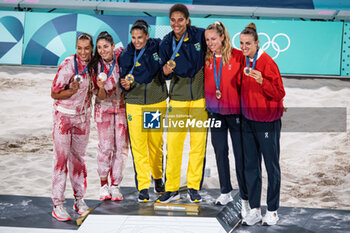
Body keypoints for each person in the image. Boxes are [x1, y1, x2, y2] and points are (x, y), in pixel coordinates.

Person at [157, 3, 208, 203]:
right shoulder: (166, 42)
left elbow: (217, 43)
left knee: (198, 146)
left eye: (180, 19)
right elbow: (160, 71)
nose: (176, 24)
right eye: (173, 20)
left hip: (199, 99)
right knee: (174, 145)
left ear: (187, 20)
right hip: (177, 99)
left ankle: (194, 187)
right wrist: (165, 72)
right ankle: (171, 188)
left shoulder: (200, 35)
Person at [239, 23, 285, 226]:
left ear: (257, 43)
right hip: (248, 122)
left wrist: (262, 81)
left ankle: (273, 210)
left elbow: (279, 93)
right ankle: (256, 209)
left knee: (271, 167)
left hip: (267, 122)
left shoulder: (267, 63)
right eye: (241, 43)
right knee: (251, 167)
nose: (244, 47)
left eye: (248, 43)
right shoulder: (243, 60)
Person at [204, 21, 250, 216]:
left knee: (240, 155)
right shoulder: (205, 59)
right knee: (220, 151)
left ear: (223, 37)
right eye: (207, 40)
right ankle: (225, 191)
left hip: (236, 113)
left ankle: (246, 196)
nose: (210, 43)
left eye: (213, 39)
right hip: (215, 112)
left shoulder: (239, 56)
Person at [119, 20, 168, 202]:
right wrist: (123, 84)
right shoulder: (126, 54)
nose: (137, 41)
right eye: (134, 38)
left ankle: (157, 178)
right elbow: (122, 79)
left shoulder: (156, 46)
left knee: (155, 145)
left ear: (147, 36)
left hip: (155, 103)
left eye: (140, 37)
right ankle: (143, 186)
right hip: (135, 104)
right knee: (138, 148)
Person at [51, 33, 93, 221]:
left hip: (83, 118)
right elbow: (54, 93)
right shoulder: (68, 65)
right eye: (79, 48)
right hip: (64, 118)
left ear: (91, 48)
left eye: (86, 48)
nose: (83, 52)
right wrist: (71, 91)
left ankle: (79, 200)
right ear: (76, 48)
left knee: (79, 161)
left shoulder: (94, 65)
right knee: (61, 161)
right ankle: (58, 205)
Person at [88, 31, 129, 201]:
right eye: (99, 48)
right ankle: (103, 185)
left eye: (106, 46)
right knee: (105, 147)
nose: (102, 50)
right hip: (103, 108)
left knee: (121, 147)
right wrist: (101, 87)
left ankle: (116, 185)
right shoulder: (95, 67)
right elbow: (100, 96)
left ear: (113, 46)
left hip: (121, 108)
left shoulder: (122, 55)